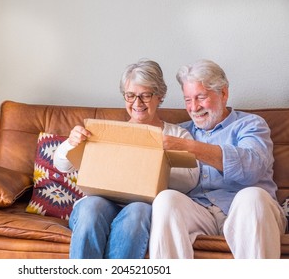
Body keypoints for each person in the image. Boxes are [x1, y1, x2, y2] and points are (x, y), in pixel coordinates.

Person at [54, 59, 200, 259]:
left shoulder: (176, 135)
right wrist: (71, 142)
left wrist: (156, 160)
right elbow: (61, 165)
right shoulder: (108, 132)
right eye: (130, 96)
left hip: (142, 206)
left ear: (160, 96)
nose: (137, 103)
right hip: (99, 202)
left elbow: (190, 180)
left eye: (145, 96)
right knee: (91, 208)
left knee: (138, 211)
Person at [149, 59, 288, 259]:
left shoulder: (251, 125)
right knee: (166, 200)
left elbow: (252, 168)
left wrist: (191, 148)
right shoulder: (181, 131)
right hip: (200, 212)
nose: (194, 107)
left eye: (201, 97)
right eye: (188, 100)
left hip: (245, 212)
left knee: (252, 197)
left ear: (223, 93)